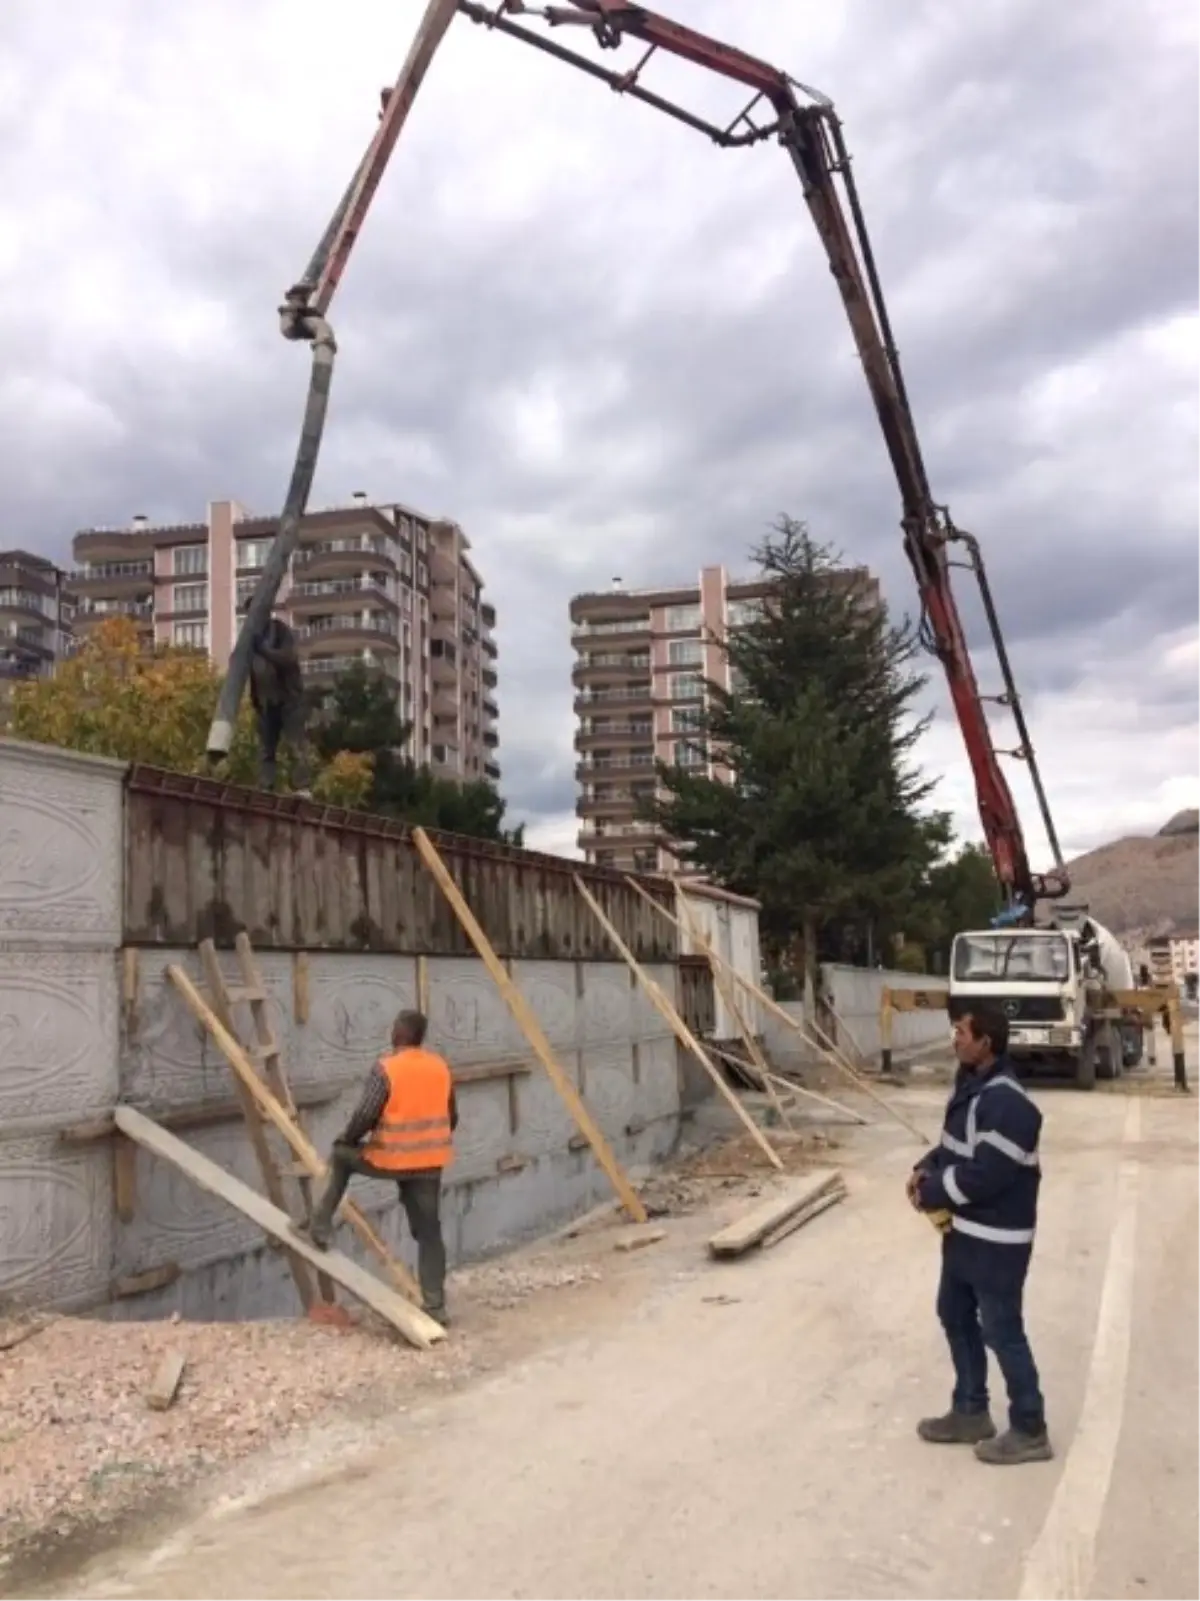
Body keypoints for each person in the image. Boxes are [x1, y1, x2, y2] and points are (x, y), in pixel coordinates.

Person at [908, 1004, 1052, 1465]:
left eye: (961, 1033)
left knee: (1001, 1330)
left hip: (998, 1242)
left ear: (986, 1042)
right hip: (966, 1235)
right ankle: (970, 1411)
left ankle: (1030, 1427)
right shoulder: (972, 1088)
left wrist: (934, 1193)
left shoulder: (1007, 1103)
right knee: (953, 1312)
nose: (955, 1039)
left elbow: (987, 1175)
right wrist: (925, 1169)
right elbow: (956, 1148)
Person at [306, 1009, 457, 1326]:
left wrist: (347, 1138)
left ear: (398, 1034)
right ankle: (436, 1305)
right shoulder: (440, 1067)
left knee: (342, 1155)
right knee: (430, 1232)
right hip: (430, 1162)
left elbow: (365, 1115)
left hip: (392, 1158)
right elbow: (451, 1116)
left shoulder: (386, 1069)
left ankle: (320, 1225)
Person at [245, 606, 310, 793]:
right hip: (266, 702)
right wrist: (255, 699)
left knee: (295, 745)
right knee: (266, 750)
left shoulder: (280, 631)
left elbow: (288, 659)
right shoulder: (250, 640)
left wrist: (264, 650)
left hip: (289, 700)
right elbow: (252, 672)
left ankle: (302, 786)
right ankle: (266, 787)